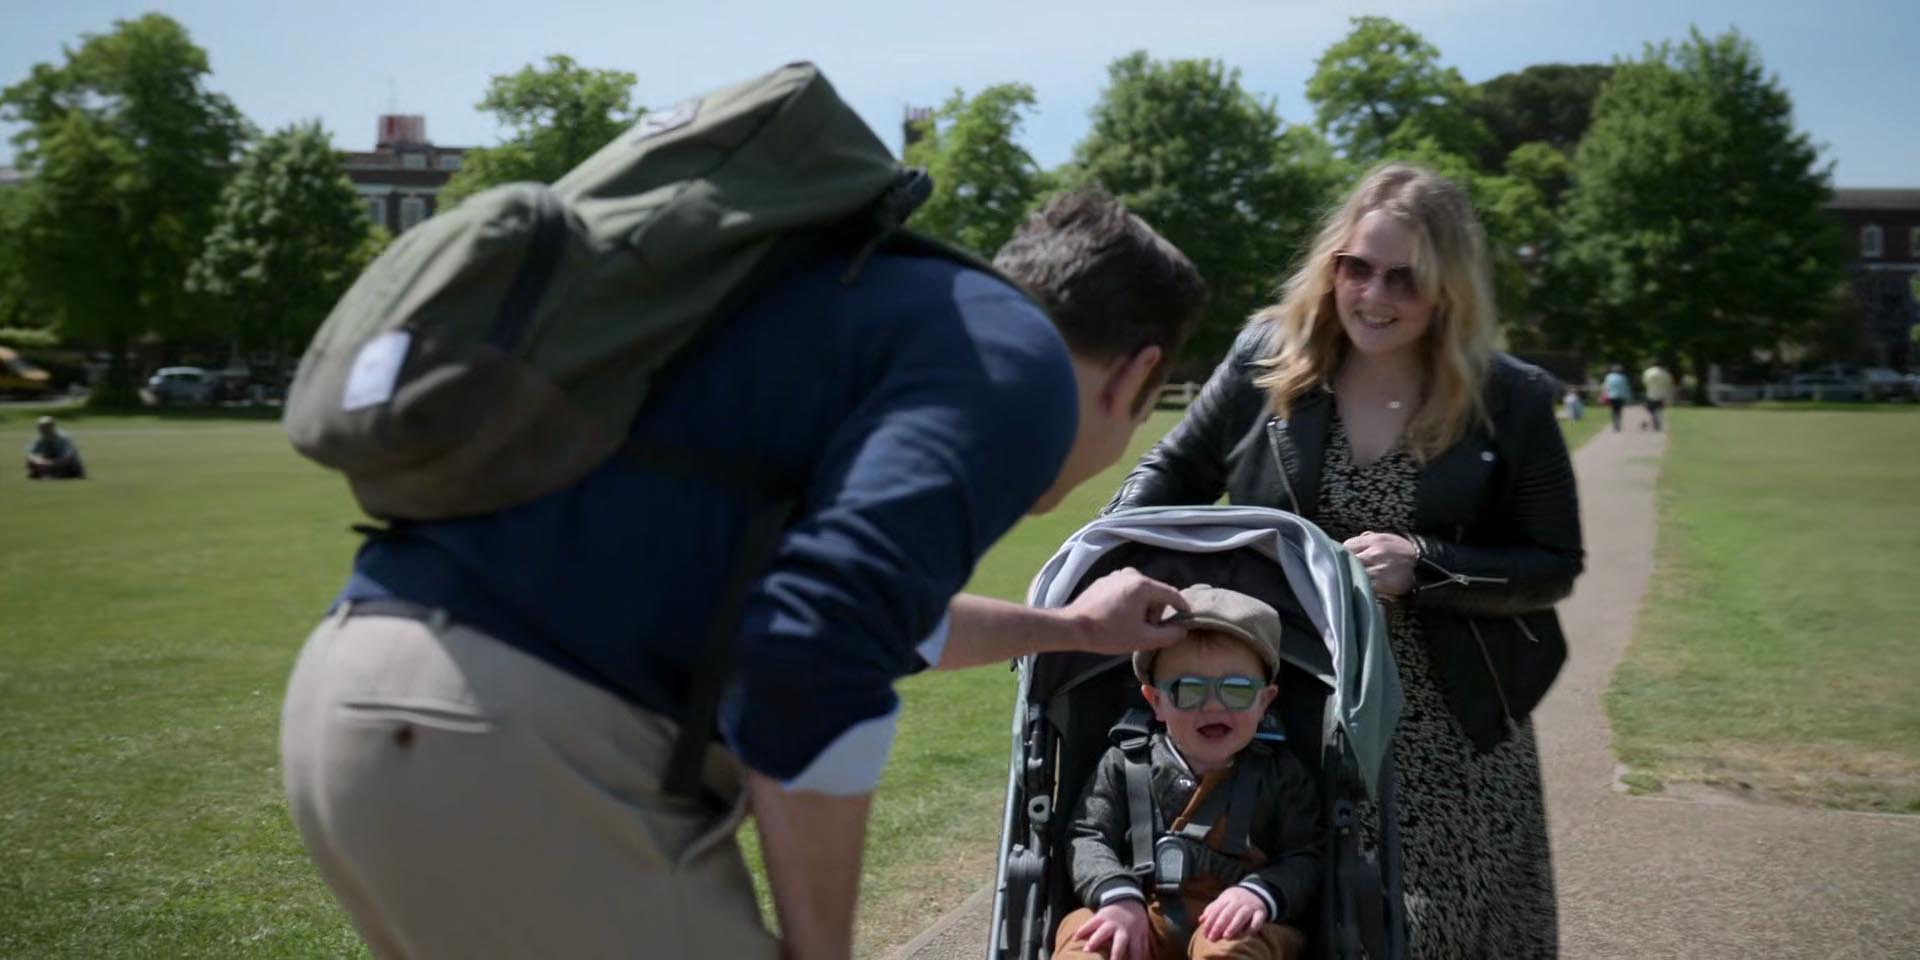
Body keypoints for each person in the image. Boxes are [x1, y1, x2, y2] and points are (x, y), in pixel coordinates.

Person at [278, 190, 1212, 960]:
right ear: (1140, 373)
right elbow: (811, 652)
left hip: (359, 704)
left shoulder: (888, 316)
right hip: (516, 746)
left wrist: (1078, 631)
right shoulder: (1025, 372)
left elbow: (850, 611)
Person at [1107, 163, 1584, 958]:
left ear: (1449, 288)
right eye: (1355, 267)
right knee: (1300, 911)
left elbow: (1552, 563)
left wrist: (1425, 565)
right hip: (1291, 702)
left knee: (1439, 929)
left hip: (1446, 723)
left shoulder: (1513, 399)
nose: (1374, 295)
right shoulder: (1269, 355)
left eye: (1405, 278)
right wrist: (1112, 548)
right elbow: (1172, 471)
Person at [1054, 585, 1320, 960]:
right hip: (1139, 915)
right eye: (1189, 689)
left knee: (1234, 948)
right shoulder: (1124, 763)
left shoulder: (1283, 775)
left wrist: (1260, 892)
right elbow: (1088, 835)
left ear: (1265, 702)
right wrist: (1115, 895)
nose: (1213, 704)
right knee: (1088, 936)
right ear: (1156, 701)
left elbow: (1305, 855)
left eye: (1237, 690)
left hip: (1239, 923)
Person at [1640, 363, 1673, 431]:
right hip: (1661, 395)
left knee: (1650, 409)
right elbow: (1668, 383)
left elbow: (1644, 382)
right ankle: (1656, 420)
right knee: (1659, 410)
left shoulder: (1648, 372)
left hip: (1650, 394)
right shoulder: (1665, 373)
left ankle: (1652, 420)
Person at [1601, 364, 1632, 432]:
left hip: (1611, 396)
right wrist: (1629, 398)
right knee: (1619, 411)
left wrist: (1603, 394)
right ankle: (1618, 424)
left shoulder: (1608, 377)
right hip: (1620, 397)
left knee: (1613, 411)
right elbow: (1626, 388)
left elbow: (1605, 387)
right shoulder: (1623, 378)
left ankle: (1615, 425)